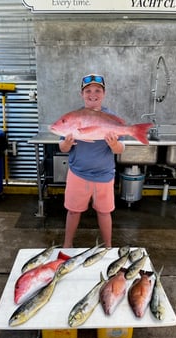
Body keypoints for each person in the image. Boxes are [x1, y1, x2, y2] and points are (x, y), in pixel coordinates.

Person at [59, 74, 125, 248]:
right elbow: (63, 148)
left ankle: (108, 246)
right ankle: (67, 244)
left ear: (104, 93)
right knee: (73, 211)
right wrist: (65, 143)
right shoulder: (73, 117)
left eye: (97, 90)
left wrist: (114, 144)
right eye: (88, 90)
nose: (92, 94)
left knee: (104, 212)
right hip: (77, 173)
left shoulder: (111, 117)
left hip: (104, 175)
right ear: (82, 94)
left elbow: (120, 149)